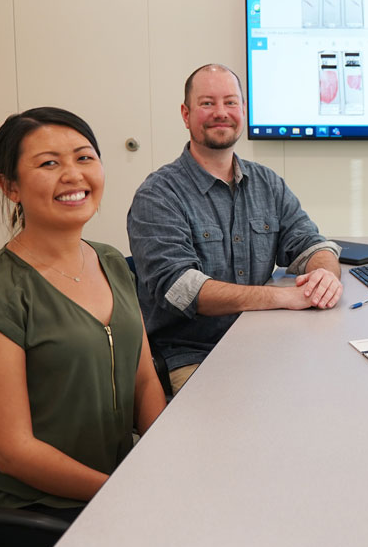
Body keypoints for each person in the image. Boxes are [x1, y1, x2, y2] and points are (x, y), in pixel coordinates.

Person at [0, 108, 166, 547]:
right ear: (11, 188)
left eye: (84, 157)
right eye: (48, 164)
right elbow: (13, 452)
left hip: (110, 486)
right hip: (23, 512)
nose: (73, 174)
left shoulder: (110, 261)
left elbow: (144, 375)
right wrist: (122, 491)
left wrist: (163, 464)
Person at [127, 64, 342, 393]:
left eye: (230, 102)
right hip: (193, 355)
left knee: (331, 392)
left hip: (264, 342)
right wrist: (284, 297)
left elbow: (311, 243)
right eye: (207, 103)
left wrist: (325, 275)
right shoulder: (158, 195)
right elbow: (184, 289)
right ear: (186, 114)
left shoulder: (267, 183)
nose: (220, 113)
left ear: (243, 110)